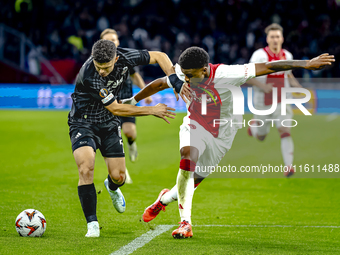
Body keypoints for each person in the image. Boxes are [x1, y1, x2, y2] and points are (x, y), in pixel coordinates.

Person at [122, 47, 335, 238]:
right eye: (183, 75)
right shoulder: (183, 74)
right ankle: (185, 223)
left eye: (190, 76)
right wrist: (133, 100)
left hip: (224, 132)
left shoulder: (227, 74)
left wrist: (305, 64)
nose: (185, 80)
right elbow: (161, 83)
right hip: (194, 123)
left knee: (192, 181)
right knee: (188, 156)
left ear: (204, 70)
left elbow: (269, 66)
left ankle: (163, 200)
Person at [68, 39, 185, 237]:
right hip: (83, 122)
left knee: (119, 177)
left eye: (105, 68)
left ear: (116, 58)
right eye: (98, 67)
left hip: (109, 123)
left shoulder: (125, 56)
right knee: (86, 167)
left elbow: (159, 56)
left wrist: (174, 79)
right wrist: (151, 110)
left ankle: (112, 187)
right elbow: (115, 107)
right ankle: (92, 224)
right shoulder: (90, 75)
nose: (102, 72)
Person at [246, 23, 303, 177]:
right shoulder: (260, 56)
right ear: (267, 39)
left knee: (285, 131)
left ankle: (289, 166)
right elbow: (247, 76)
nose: (275, 39)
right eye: (272, 37)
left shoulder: (288, 56)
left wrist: (299, 88)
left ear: (282, 38)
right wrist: (263, 87)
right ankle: (254, 129)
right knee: (262, 137)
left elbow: (288, 75)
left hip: (282, 101)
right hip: (262, 102)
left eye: (278, 36)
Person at [100, 29, 153, 180]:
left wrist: (145, 92)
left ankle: (131, 143)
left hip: (127, 99)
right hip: (108, 103)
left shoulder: (124, 57)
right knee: (112, 137)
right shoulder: (98, 60)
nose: (111, 42)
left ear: (118, 42)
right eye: (107, 40)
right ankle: (121, 169)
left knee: (129, 132)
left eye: (113, 40)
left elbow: (134, 75)